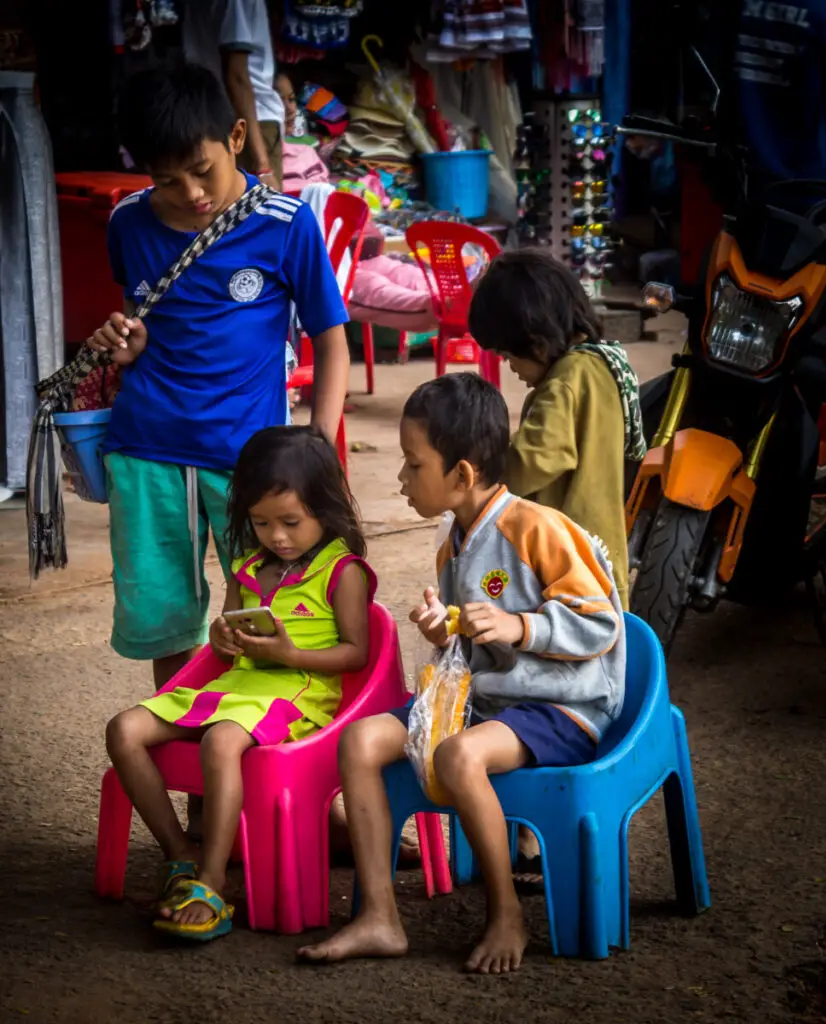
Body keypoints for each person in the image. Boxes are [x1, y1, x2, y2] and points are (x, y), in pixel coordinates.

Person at [87, 65, 350, 836]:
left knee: (269, 618)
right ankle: (207, 807)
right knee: (169, 627)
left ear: (237, 137)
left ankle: (266, 776)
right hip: (146, 451)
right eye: (169, 181)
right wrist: (124, 347)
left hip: (254, 468)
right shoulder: (127, 224)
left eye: (202, 171)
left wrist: (318, 448)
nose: (191, 195)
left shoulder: (285, 221)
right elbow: (140, 326)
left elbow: (330, 342)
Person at [298, 373, 625, 974]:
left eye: (412, 464)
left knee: (457, 757)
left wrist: (520, 627)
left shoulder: (536, 527)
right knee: (361, 740)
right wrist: (446, 629)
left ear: (463, 474)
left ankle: (506, 914)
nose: (400, 479)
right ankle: (378, 916)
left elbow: (601, 622)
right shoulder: (454, 544)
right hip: (488, 705)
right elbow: (472, 642)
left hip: (559, 709)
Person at [105, 426, 374, 940]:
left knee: (221, 738)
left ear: (324, 506)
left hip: (299, 691)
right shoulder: (248, 565)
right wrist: (222, 635)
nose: (277, 536)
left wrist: (292, 653)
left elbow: (356, 653)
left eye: (291, 522)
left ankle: (212, 881)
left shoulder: (342, 571)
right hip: (238, 688)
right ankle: (181, 851)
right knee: (125, 729)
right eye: (261, 522)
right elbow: (225, 630)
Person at [468, 249, 645, 611]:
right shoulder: (599, 365)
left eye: (507, 355)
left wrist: (476, 475)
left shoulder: (568, 378)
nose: (510, 367)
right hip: (596, 554)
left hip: (571, 562)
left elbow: (535, 459)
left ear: (536, 340)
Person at [220, 0, 285, 190]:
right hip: (253, 121)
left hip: (213, 115)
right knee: (264, 211)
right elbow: (237, 75)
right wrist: (263, 166)